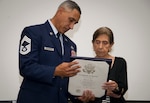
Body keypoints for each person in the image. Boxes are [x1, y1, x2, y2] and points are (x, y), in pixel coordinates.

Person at [17, 0, 94, 103]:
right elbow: (26, 67)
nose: (71, 27)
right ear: (60, 12)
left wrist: (78, 96)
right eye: (71, 20)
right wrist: (55, 71)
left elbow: (68, 80)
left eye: (75, 23)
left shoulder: (71, 45)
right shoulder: (33, 33)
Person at [91, 27, 128, 103]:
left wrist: (116, 88)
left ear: (111, 45)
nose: (100, 47)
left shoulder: (120, 63)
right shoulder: (87, 64)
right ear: (93, 43)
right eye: (97, 42)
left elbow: (122, 90)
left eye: (105, 43)